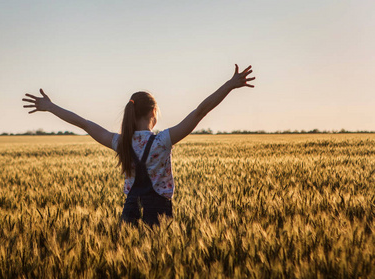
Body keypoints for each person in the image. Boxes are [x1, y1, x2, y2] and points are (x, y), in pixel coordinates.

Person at [22, 64, 255, 226]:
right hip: (158, 212)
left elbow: (83, 123)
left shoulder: (120, 142)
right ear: (154, 112)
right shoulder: (163, 141)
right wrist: (229, 85)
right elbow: (200, 111)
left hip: (130, 208)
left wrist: (51, 107)